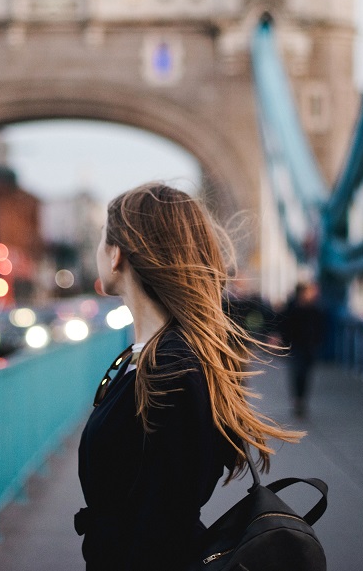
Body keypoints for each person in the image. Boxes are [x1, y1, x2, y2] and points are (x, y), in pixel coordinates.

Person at [76, 183, 304, 571]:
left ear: (117, 256)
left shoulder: (173, 367)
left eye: (102, 240)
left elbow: (165, 522)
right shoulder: (150, 356)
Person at [281, 281, 323, 418]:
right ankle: (297, 400)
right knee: (298, 372)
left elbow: (319, 327)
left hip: (309, 347)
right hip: (296, 346)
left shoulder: (314, 309)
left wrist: (316, 341)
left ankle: (301, 400)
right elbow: (285, 326)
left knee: (305, 374)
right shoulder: (293, 308)